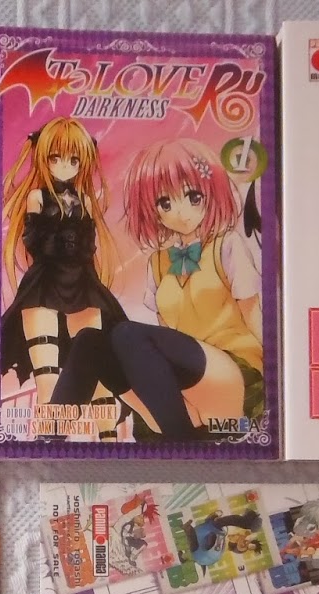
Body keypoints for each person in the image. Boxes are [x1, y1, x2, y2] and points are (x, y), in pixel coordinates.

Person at [51, 138, 265, 440]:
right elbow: (166, 334)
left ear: (212, 190)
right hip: (184, 393)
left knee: (126, 333)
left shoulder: (227, 246)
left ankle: (180, 445)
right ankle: (46, 440)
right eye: (165, 203)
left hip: (232, 375)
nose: (180, 212)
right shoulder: (159, 262)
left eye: (193, 196)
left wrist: (279, 381)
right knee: (89, 340)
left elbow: (252, 313)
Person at [0, 116, 127, 417]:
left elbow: (89, 242)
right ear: (43, 158)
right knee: (46, 366)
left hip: (82, 278)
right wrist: (58, 241)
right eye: (55, 158)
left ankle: (108, 433)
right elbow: (33, 239)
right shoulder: (37, 197)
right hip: (46, 278)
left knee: (93, 356)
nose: (64, 166)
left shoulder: (84, 200)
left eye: (74, 160)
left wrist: (77, 246)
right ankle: (49, 425)